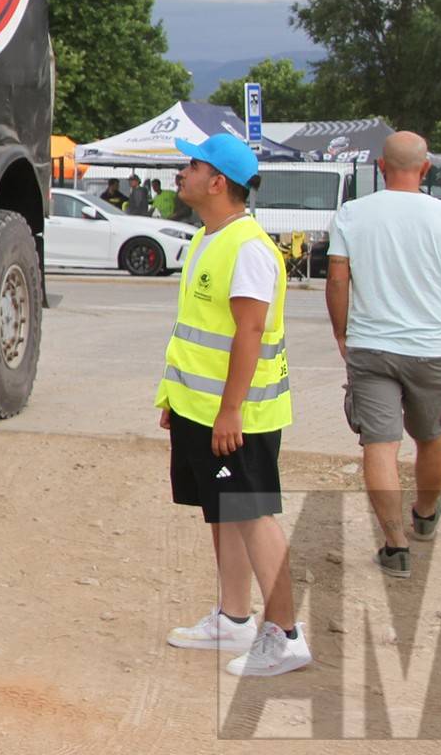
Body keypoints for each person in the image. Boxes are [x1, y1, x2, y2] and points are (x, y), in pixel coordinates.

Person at [157, 132, 310, 677]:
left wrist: (230, 411)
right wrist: (176, 399)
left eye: (191, 166)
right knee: (223, 511)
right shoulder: (207, 237)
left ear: (217, 181)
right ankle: (234, 617)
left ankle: (286, 635)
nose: (183, 174)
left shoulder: (247, 247)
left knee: (252, 512)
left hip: (238, 415)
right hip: (201, 408)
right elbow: (199, 332)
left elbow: (249, 332)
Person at [325, 131, 441, 578]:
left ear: (381, 166)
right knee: (432, 436)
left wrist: (341, 332)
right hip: (432, 347)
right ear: (426, 168)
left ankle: (394, 546)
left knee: (380, 444)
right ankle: (425, 517)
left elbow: (337, 280)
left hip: (371, 346)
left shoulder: (352, 214)